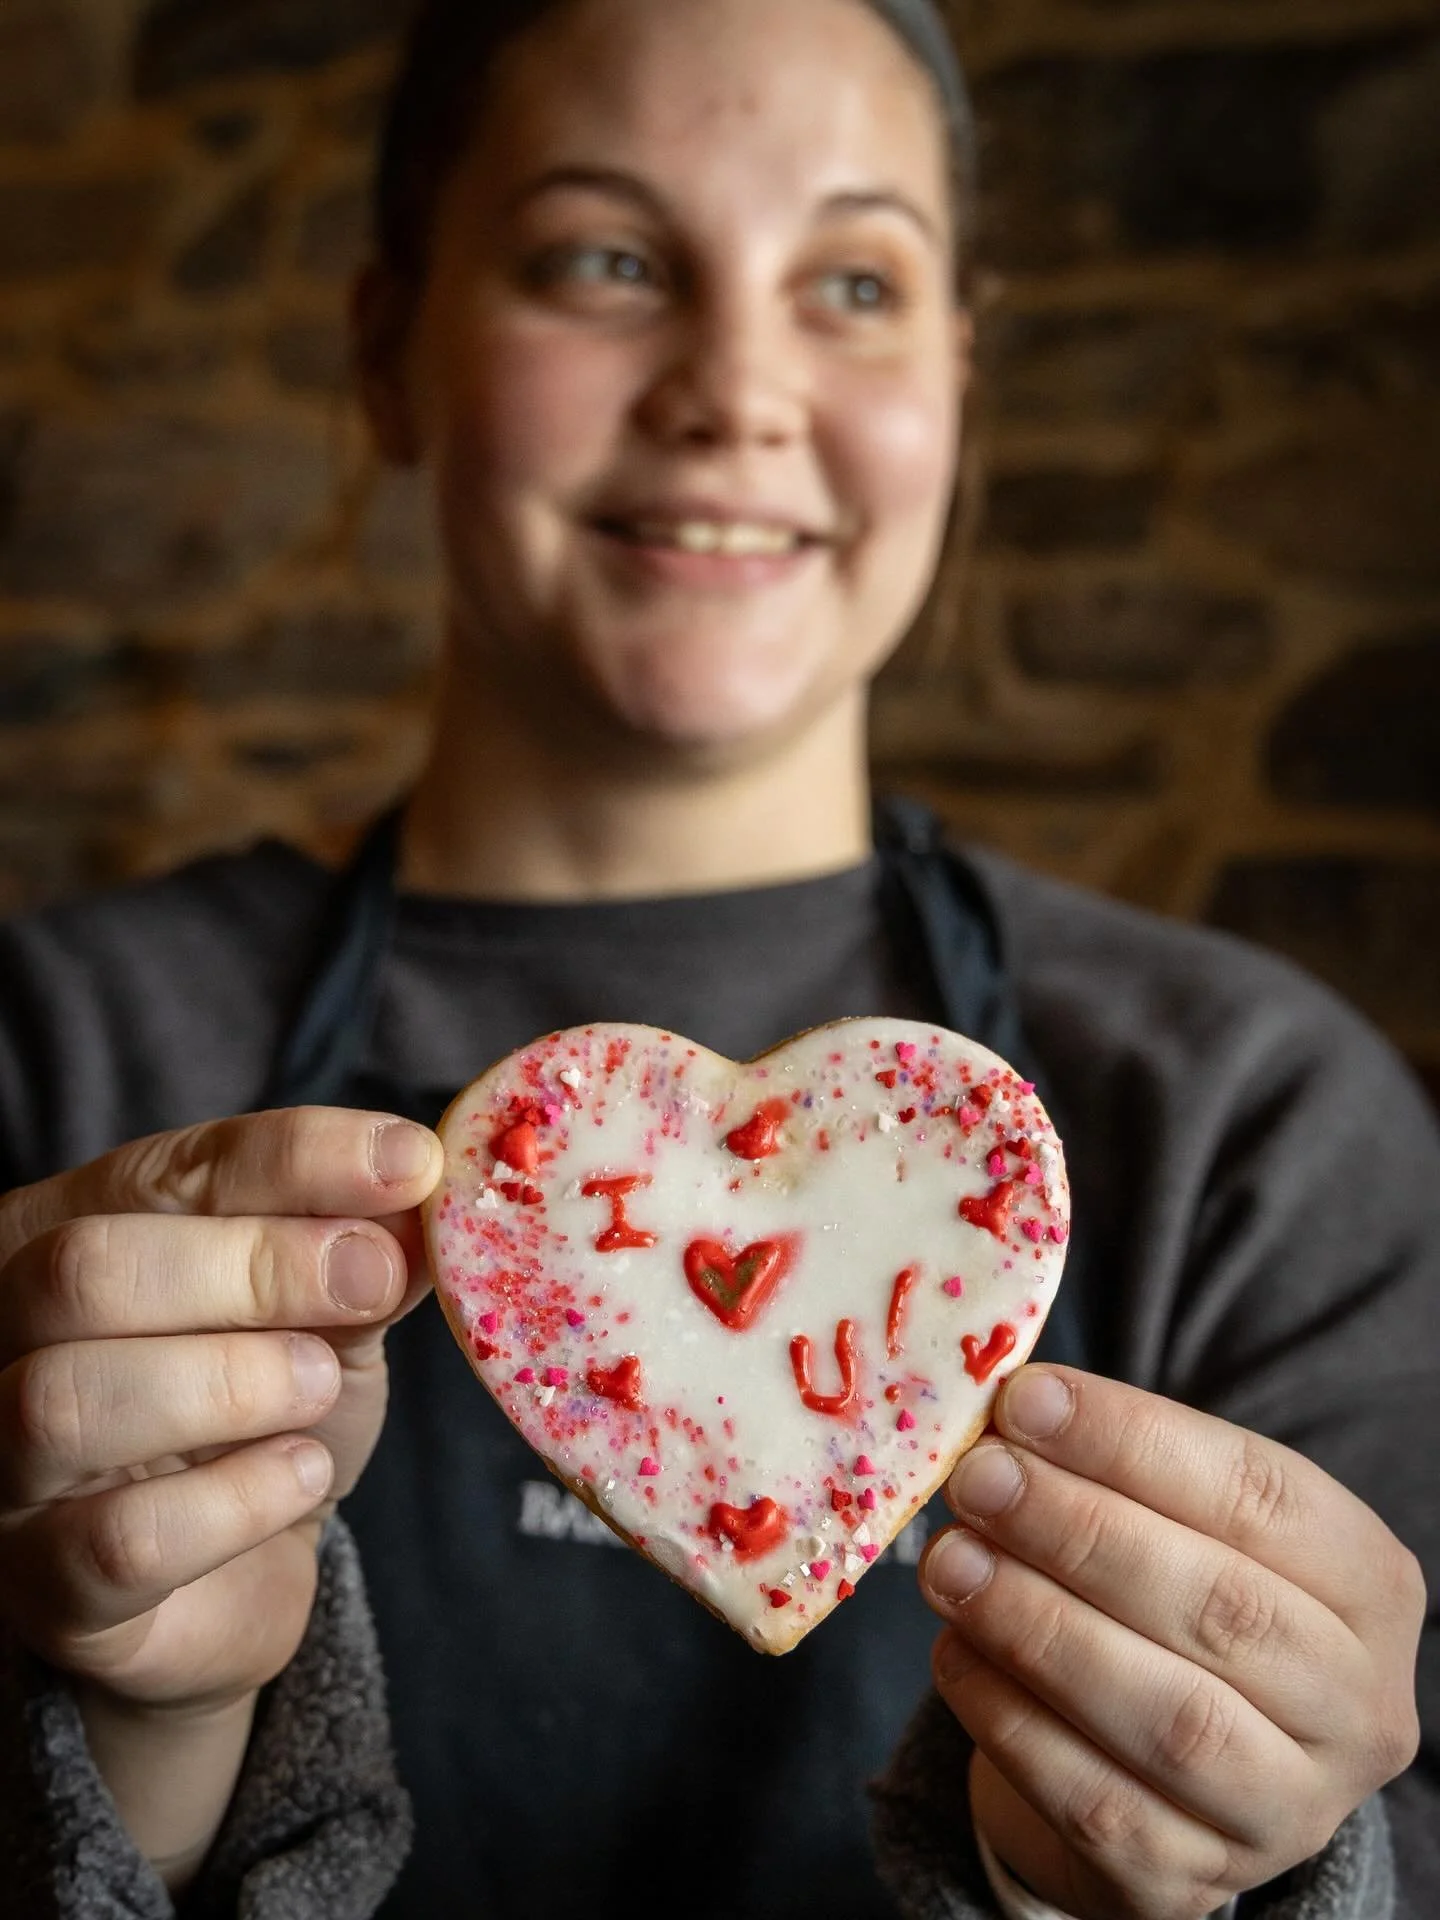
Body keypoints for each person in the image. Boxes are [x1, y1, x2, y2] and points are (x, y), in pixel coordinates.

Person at [0, 0, 1433, 1915]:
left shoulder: (1252, 1118)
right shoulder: (56, 1061)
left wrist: (1211, 1866)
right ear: (386, 352)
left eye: (854, 280)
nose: (736, 388)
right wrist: (125, 1752)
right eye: (607, 259)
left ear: (959, 384)